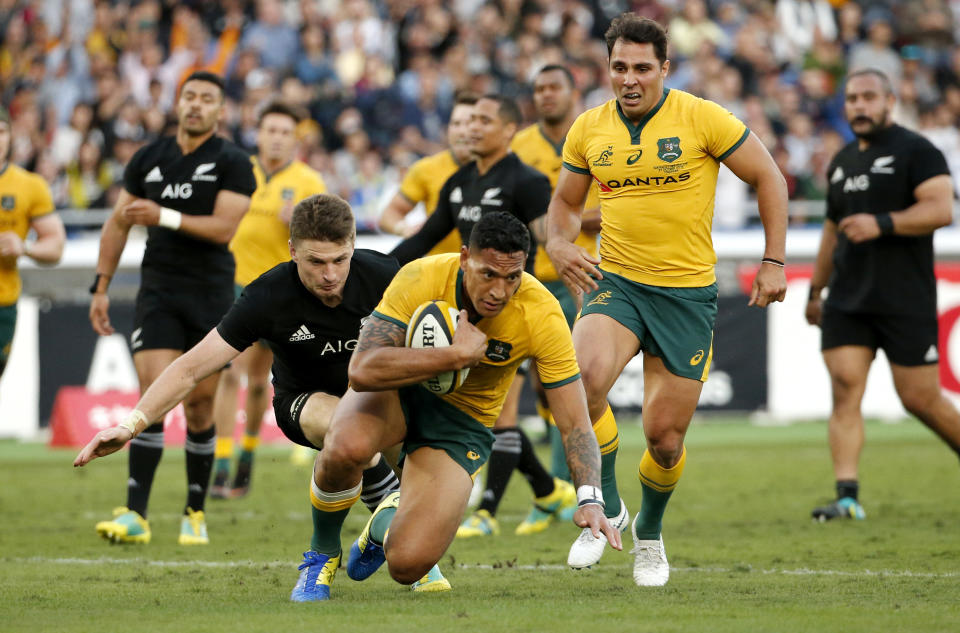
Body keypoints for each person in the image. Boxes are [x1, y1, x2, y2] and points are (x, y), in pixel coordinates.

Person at [546, 14, 788, 586]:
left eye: (641, 68)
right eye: (619, 68)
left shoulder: (702, 117)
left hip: (685, 295)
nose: (629, 79)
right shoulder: (588, 128)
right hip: (618, 283)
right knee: (581, 380)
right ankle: (603, 504)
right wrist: (558, 242)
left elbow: (770, 177)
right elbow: (564, 203)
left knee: (665, 438)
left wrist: (774, 261)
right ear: (607, 68)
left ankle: (648, 534)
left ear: (664, 69)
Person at [293, 211, 620, 601]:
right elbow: (362, 370)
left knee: (407, 564)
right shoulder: (422, 276)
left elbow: (575, 421)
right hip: (397, 393)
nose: (499, 290)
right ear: (465, 258)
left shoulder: (542, 312)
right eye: (488, 274)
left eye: (512, 277)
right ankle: (322, 555)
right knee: (347, 445)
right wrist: (454, 356)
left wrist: (590, 499)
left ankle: (383, 525)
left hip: (461, 424)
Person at [75, 194, 404, 560]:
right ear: (293, 251)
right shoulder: (267, 295)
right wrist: (132, 424)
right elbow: (191, 367)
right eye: (316, 261)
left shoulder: (384, 276)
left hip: (374, 400)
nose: (330, 275)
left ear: (354, 245)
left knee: (413, 539)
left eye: (340, 260)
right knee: (350, 430)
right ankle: (379, 522)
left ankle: (382, 534)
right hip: (303, 403)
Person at [390, 94, 577, 539]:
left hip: (509, 315)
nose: (471, 127)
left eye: (483, 120)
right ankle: (547, 492)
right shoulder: (457, 182)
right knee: (492, 417)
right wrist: (370, 269)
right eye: (468, 120)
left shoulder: (527, 181)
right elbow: (423, 238)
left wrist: (574, 284)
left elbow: (548, 241)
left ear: (509, 129)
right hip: (462, 315)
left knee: (505, 416)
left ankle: (488, 510)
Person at [88, 71, 257, 546]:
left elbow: (224, 228)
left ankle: (194, 511)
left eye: (207, 99)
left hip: (210, 294)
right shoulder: (149, 158)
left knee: (201, 407)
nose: (196, 105)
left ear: (220, 111)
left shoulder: (234, 162)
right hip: (158, 289)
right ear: (177, 103)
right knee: (153, 392)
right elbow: (118, 224)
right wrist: (99, 286)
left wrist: (161, 215)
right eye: (189, 97)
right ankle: (135, 513)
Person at [805, 68, 960, 521]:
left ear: (889, 101)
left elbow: (940, 208)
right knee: (845, 388)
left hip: (903, 298)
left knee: (919, 399)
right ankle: (847, 496)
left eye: (868, 97)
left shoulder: (918, 151)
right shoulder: (841, 162)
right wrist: (816, 289)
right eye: (852, 98)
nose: (859, 106)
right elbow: (831, 232)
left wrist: (883, 223)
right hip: (848, 299)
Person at [458, 64, 606, 537]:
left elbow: (618, 204)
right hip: (520, 285)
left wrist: (564, 218)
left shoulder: (596, 137)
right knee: (518, 392)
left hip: (579, 277)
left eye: (553, 88)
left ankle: (562, 488)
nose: (545, 96)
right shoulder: (518, 150)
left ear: (572, 91)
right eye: (538, 88)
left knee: (570, 385)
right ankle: (551, 492)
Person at [210, 100, 327, 499]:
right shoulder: (239, 172)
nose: (276, 137)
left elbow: (328, 239)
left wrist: (301, 222)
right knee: (228, 372)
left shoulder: (309, 181)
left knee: (259, 382)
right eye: (270, 129)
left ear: (296, 138)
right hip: (234, 284)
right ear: (258, 134)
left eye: (284, 131)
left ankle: (246, 457)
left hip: (280, 291)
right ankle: (222, 463)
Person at [0, 106, 66, 378]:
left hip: (3, 303)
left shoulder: (29, 185)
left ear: (11, 136)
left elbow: (56, 245)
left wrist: (24, 247)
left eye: (1, 131)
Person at [377, 93, 476, 253]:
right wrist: (405, 229)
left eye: (470, 123)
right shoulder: (427, 169)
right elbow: (389, 215)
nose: (462, 131)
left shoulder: (504, 169)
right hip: (440, 272)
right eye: (456, 124)